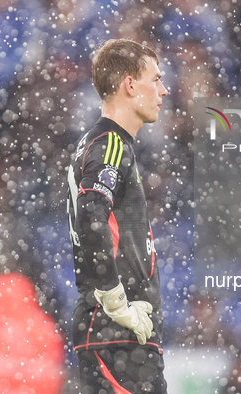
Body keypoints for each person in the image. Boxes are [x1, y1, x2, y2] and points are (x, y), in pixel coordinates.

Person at [66, 38, 169, 394]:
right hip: (115, 332)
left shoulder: (104, 144)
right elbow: (92, 213)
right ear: (129, 85)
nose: (164, 90)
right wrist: (114, 300)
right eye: (155, 79)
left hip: (120, 334)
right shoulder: (110, 144)